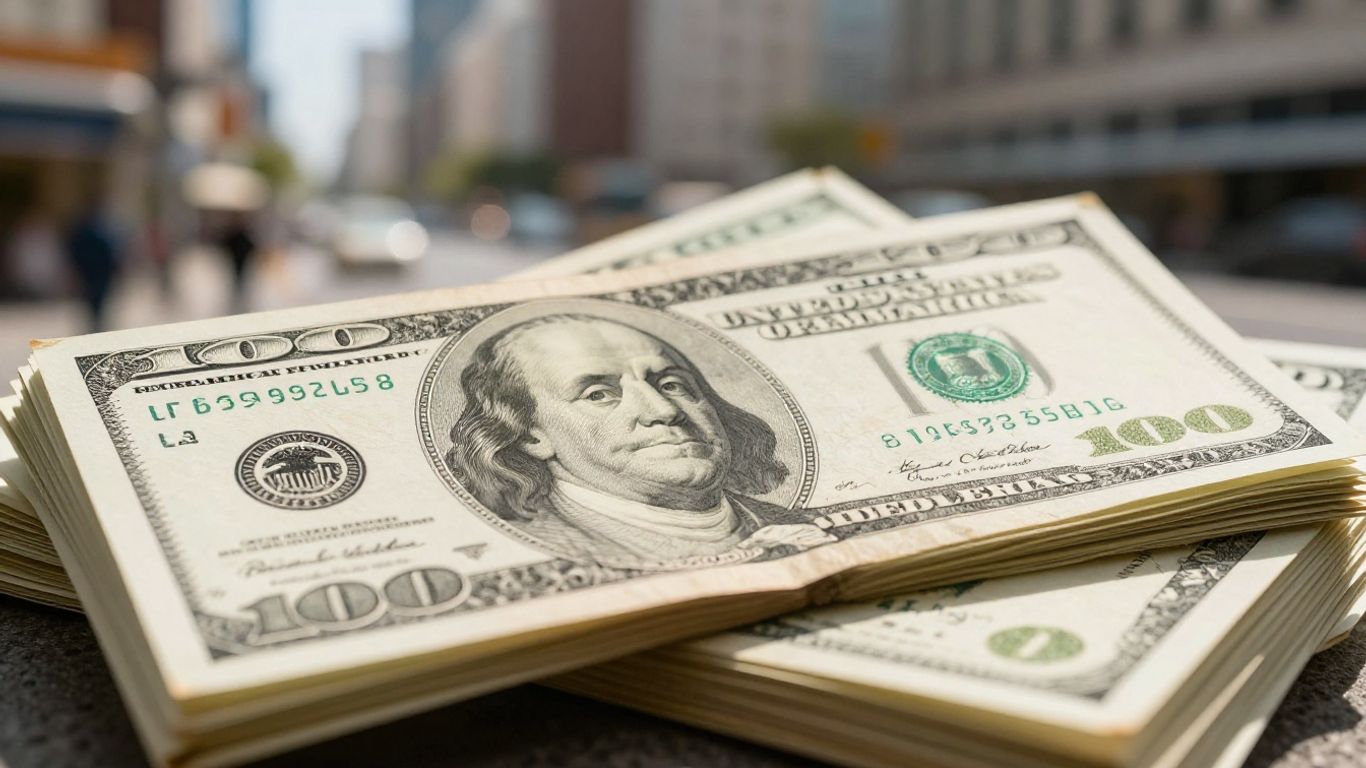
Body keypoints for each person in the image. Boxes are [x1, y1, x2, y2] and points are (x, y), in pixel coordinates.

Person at [447, 314, 832, 569]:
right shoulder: (538, 545)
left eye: (672, 384)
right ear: (531, 435)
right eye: (598, 394)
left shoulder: (801, 527)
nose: (663, 410)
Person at [65, 204, 122, 332]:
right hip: (94, 273)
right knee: (94, 300)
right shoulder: (98, 233)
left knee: (94, 300)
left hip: (94, 273)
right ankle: (95, 322)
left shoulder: (91, 233)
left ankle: (95, 322)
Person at [218, 213, 257, 313]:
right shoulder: (236, 236)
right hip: (235, 265)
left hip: (241, 266)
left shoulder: (241, 237)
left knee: (241, 286)